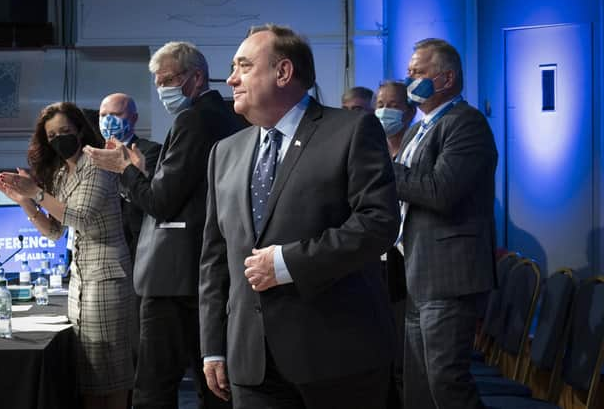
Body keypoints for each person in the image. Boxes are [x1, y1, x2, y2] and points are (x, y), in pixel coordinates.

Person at [199, 24, 399, 409]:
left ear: (283, 72)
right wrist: (212, 347)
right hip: (252, 363)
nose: (231, 78)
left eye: (243, 65)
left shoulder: (352, 130)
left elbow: (378, 223)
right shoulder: (224, 152)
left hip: (338, 356)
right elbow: (213, 258)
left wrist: (287, 263)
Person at [84, 41, 238, 409]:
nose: (162, 89)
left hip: (175, 277)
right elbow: (187, 190)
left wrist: (125, 169)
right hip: (196, 274)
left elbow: (162, 202)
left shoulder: (197, 118)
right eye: (157, 82)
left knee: (154, 387)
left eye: (168, 79)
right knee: (212, 385)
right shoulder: (220, 115)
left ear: (196, 77)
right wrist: (145, 172)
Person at [0, 102, 134, 409]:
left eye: (65, 132)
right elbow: (55, 231)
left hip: (108, 280)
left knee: (111, 376)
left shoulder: (97, 165)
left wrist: (37, 193)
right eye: (52, 135)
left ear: (81, 130)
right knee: (89, 378)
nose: (59, 139)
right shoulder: (60, 173)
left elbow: (79, 219)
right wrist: (23, 201)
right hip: (80, 282)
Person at [393, 38, 497, 409]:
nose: (410, 80)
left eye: (418, 73)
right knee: (419, 385)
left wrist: (384, 170)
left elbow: (440, 190)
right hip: (418, 270)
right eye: (409, 73)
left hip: (450, 275)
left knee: (447, 382)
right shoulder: (418, 127)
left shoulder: (465, 123)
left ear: (446, 78)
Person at [374, 80, 416, 409]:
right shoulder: (372, 150)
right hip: (377, 266)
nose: (385, 110)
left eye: (393, 104)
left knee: (405, 360)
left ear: (410, 110)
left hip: (410, 262)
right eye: (380, 103)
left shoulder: (416, 146)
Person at [98, 93, 161, 262]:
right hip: (101, 250)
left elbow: (150, 200)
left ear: (134, 118)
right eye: (103, 115)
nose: (108, 121)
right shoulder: (94, 156)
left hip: (135, 248)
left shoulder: (150, 151)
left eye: (116, 114)